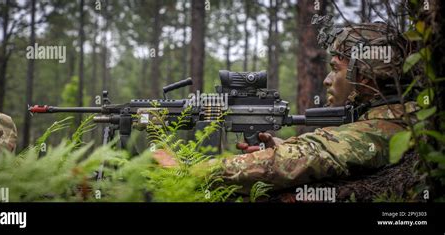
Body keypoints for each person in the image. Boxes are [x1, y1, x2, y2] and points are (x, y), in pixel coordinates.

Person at [154, 22, 418, 192]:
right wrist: (281, 147)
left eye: (335, 69)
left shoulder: (386, 126)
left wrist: (189, 170)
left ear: (364, 76)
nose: (327, 80)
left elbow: (311, 155)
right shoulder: (399, 117)